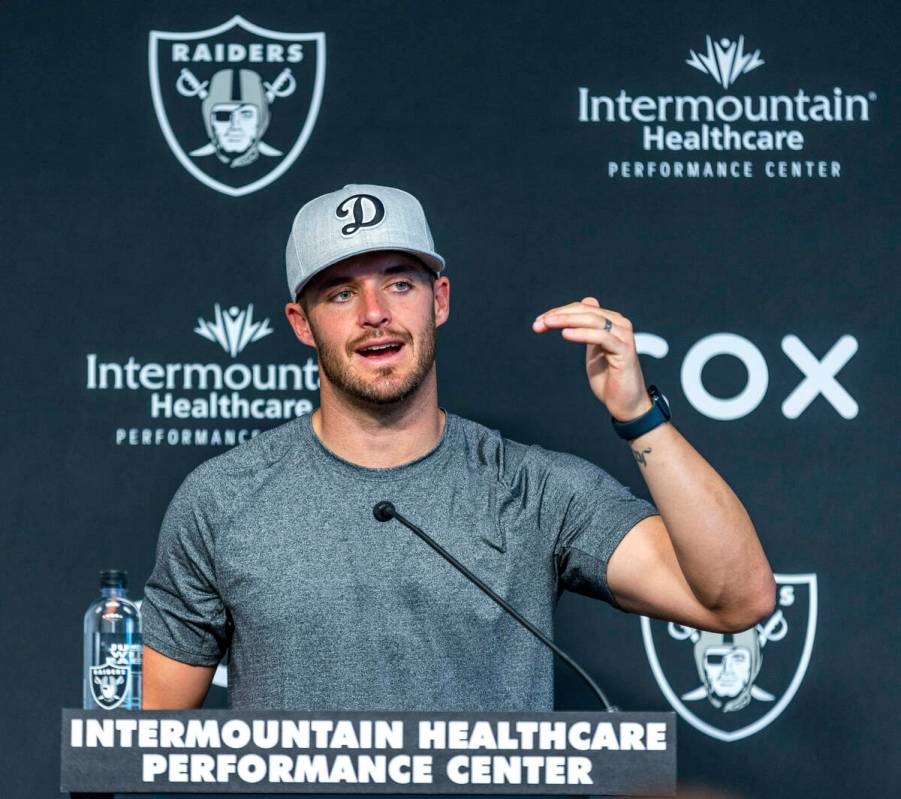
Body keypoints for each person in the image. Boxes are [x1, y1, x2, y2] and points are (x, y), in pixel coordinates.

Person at [141, 183, 775, 710]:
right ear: (302, 324)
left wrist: (638, 416)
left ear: (438, 300)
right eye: (340, 293)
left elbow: (738, 599)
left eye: (399, 284)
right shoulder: (221, 501)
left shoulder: (530, 490)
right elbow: (152, 754)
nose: (374, 313)